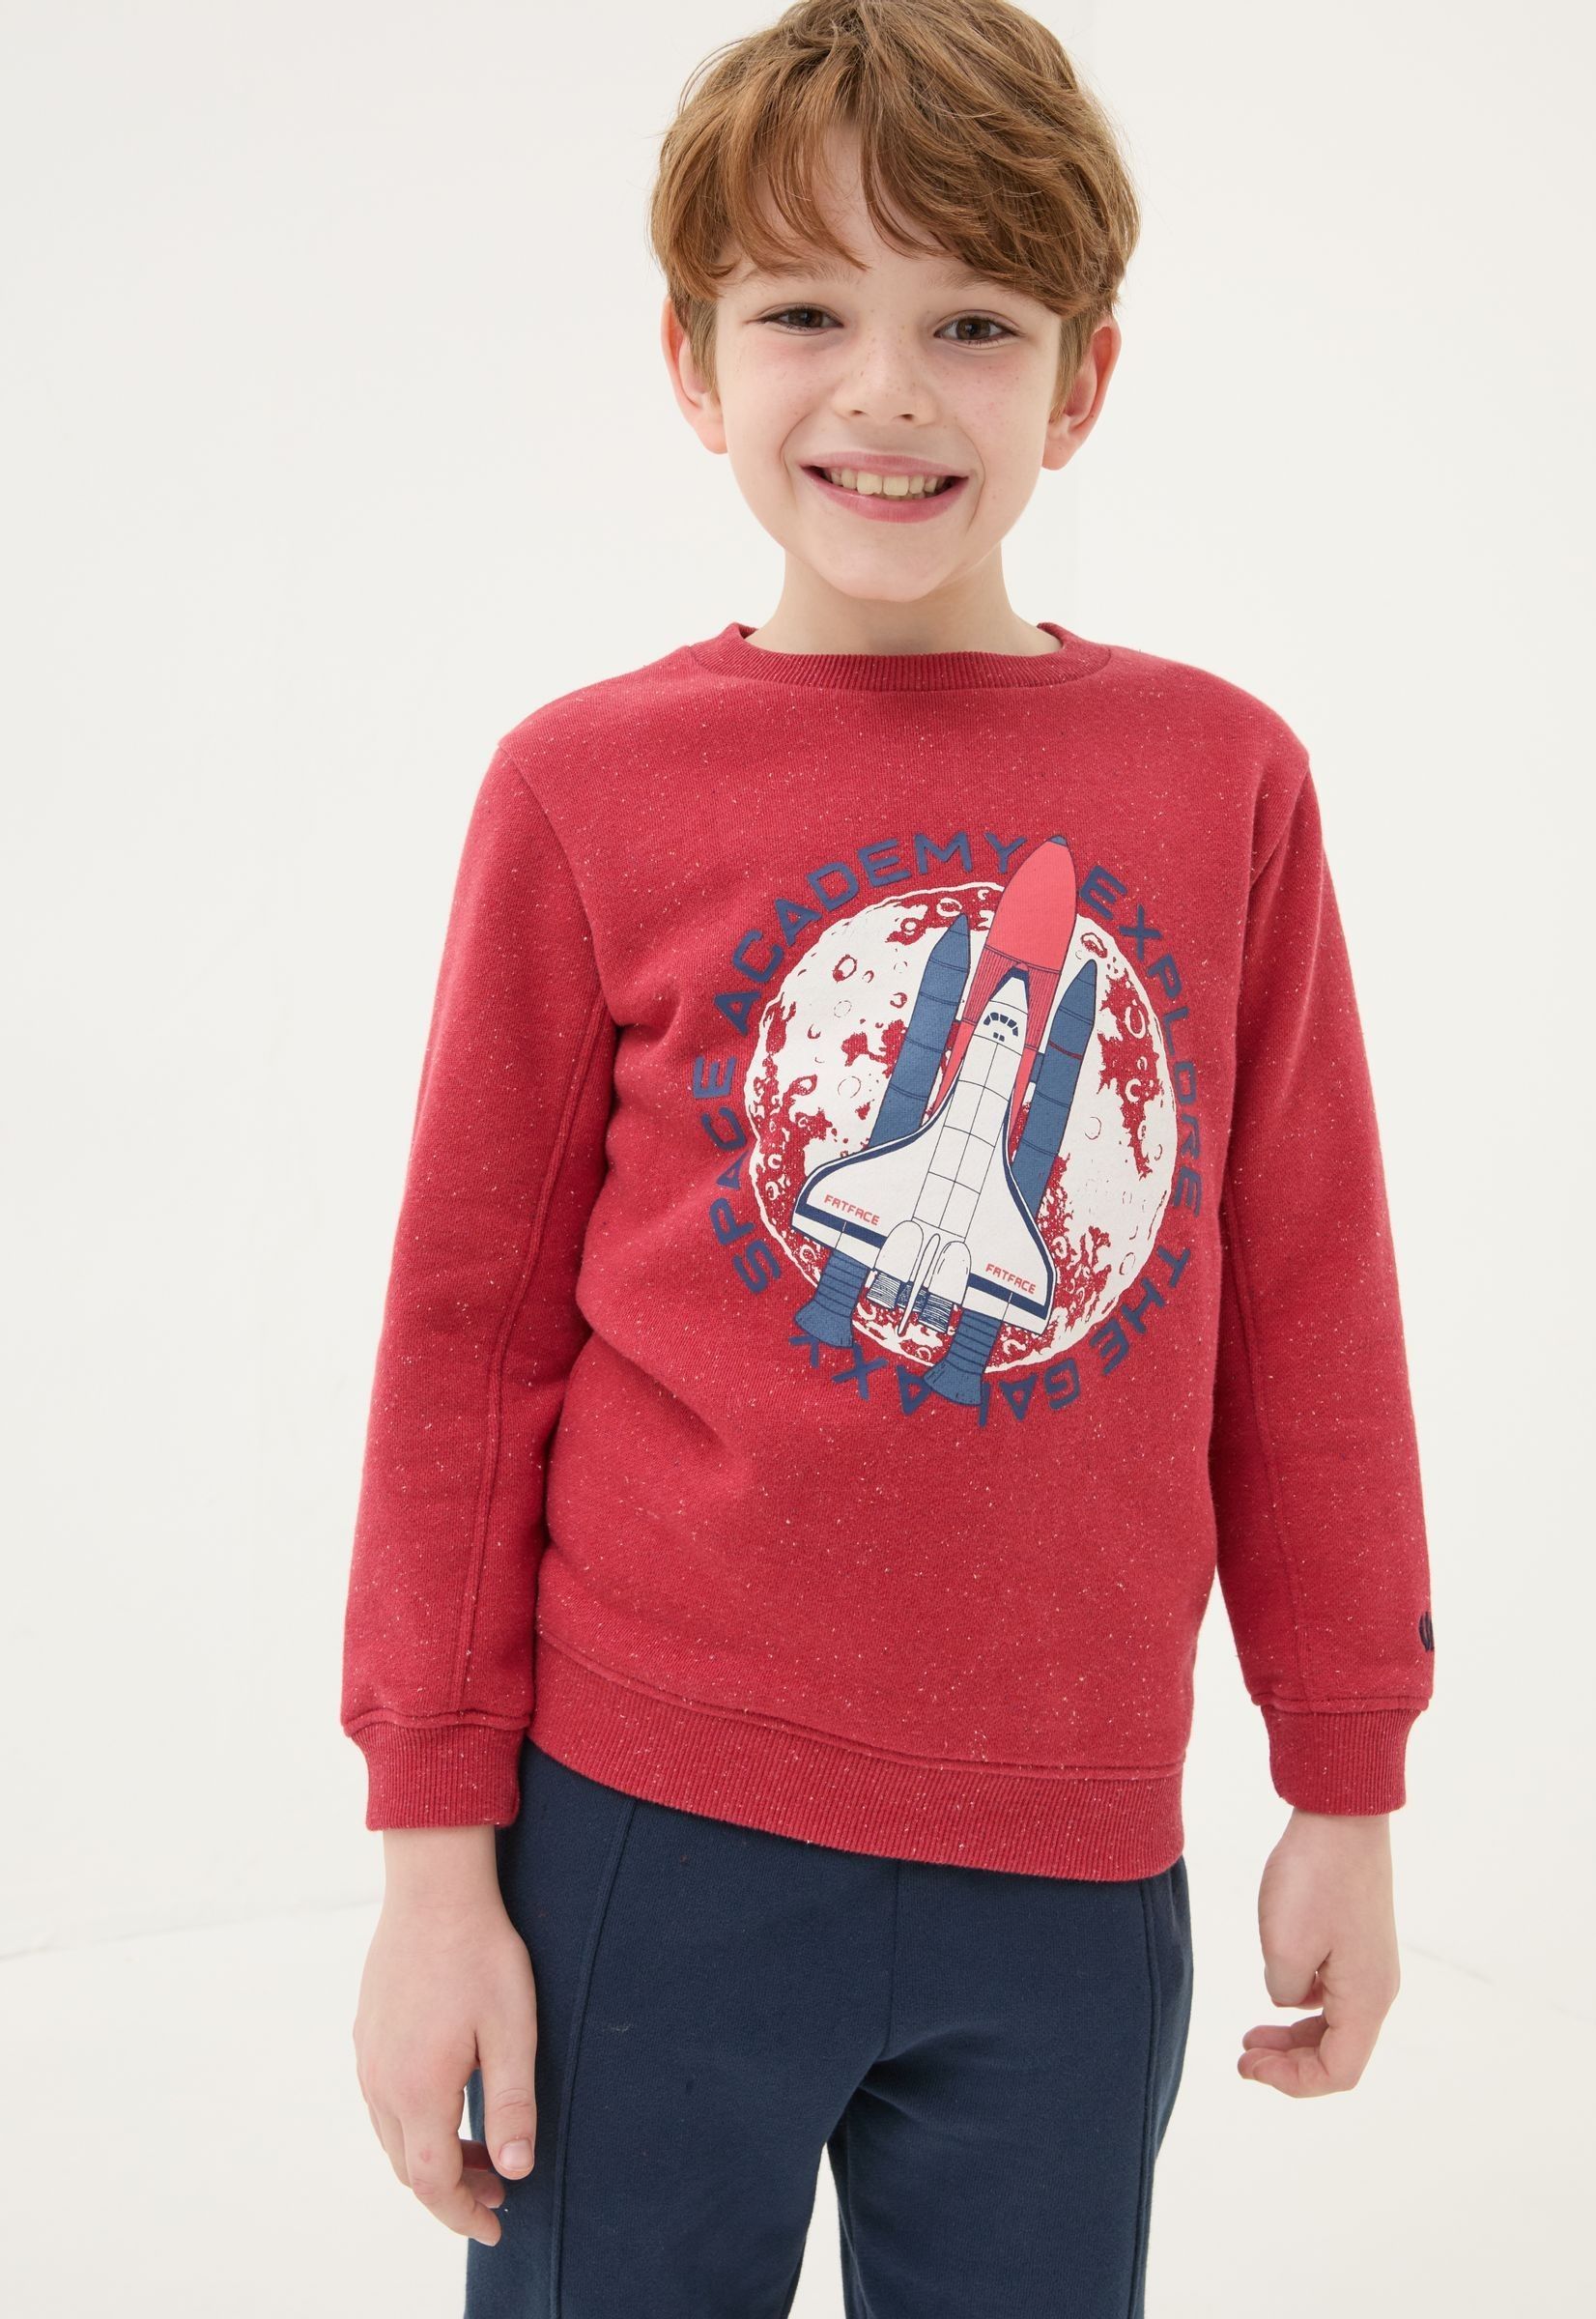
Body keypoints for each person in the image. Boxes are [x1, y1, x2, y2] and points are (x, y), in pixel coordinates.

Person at [340, 3, 1436, 2310]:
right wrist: (436, 1867)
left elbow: (1309, 1311)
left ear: (1084, 379)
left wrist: (1347, 1775)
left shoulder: (1223, 780)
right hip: (646, 1836)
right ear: (691, 359)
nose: (888, 392)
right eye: (804, 314)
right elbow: (465, 1349)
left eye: (973, 324)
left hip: (1074, 1861)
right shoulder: (583, 786)